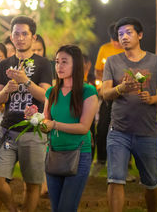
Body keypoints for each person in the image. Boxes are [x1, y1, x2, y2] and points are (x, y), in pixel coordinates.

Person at [102, 17, 157, 212]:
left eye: (128, 32)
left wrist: (152, 99)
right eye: (120, 34)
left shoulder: (156, 61)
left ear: (140, 35)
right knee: (115, 179)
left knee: (151, 182)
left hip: (146, 132)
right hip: (118, 131)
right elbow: (105, 93)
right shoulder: (113, 62)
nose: (123, 37)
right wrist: (120, 88)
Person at [0, 16, 52, 212]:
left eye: (24, 33)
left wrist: (26, 81)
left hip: (33, 130)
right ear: (11, 36)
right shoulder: (4, 65)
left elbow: (45, 96)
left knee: (32, 183)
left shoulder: (44, 64)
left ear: (33, 37)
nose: (20, 38)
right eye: (16, 34)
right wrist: (7, 90)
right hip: (7, 129)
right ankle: (12, 209)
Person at [42, 45, 98, 211]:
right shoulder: (51, 92)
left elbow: (84, 127)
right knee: (56, 207)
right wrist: (36, 119)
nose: (59, 66)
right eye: (57, 62)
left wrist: (55, 125)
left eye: (64, 62)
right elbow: (46, 122)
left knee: (66, 207)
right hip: (53, 154)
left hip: (78, 154)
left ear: (77, 65)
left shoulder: (88, 91)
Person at [90, 23, 124, 177]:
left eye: (117, 39)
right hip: (107, 95)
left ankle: (123, 163)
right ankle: (101, 159)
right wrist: (102, 86)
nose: (115, 43)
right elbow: (98, 71)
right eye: (113, 39)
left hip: (125, 97)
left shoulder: (128, 50)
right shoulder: (105, 49)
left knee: (124, 130)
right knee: (102, 128)